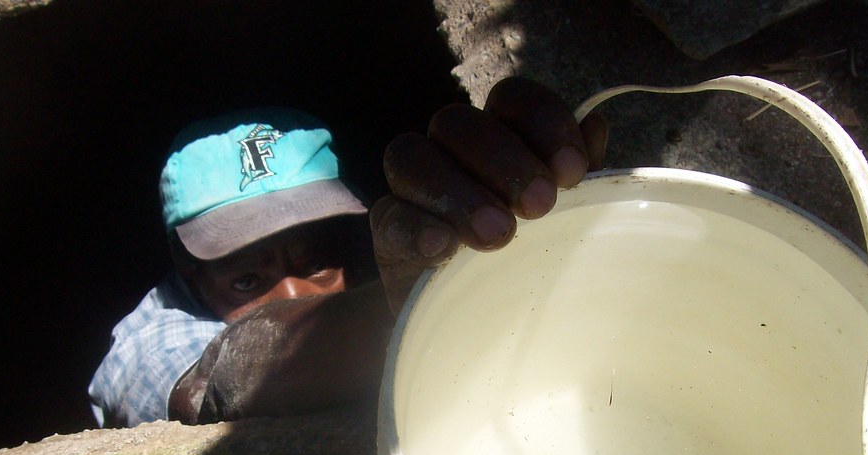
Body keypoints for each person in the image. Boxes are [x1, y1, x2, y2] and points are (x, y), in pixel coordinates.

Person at [89, 77, 607, 427]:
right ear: (189, 271)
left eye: (316, 262)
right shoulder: (149, 336)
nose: (288, 295)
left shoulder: (364, 258)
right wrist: (423, 314)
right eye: (247, 280)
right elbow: (215, 382)